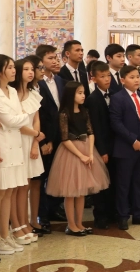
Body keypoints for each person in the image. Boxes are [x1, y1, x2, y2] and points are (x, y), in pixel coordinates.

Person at [0, 55, 40, 257]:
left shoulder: (13, 91)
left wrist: (12, 119)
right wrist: (19, 117)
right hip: (1, 146)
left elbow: (13, 119)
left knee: (10, 192)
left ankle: (6, 234)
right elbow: (11, 118)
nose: (13, 70)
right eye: (9, 67)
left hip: (15, 144)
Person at [47, 81, 109, 236]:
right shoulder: (64, 114)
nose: (83, 96)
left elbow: (91, 132)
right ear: (70, 95)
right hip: (71, 153)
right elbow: (65, 138)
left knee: (82, 192)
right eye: (79, 93)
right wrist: (81, 155)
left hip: (86, 149)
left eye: (83, 92)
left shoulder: (84, 111)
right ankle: (71, 224)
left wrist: (89, 153)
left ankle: (80, 223)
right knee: (71, 192)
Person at [109, 65, 140, 230]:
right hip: (125, 148)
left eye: (138, 77)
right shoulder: (117, 98)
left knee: (139, 182)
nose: (137, 80)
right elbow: (116, 123)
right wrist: (132, 140)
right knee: (123, 183)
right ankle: (122, 215)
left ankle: (138, 214)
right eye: (132, 77)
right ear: (123, 80)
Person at [14, 56, 45, 245]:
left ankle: (25, 222)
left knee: (26, 184)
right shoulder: (11, 93)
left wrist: (35, 142)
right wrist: (36, 133)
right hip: (17, 139)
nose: (31, 72)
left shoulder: (34, 92)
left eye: (32, 69)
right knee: (16, 186)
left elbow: (36, 118)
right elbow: (14, 122)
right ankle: (17, 223)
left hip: (31, 140)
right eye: (26, 69)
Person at [35, 44, 65, 228]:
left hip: (60, 136)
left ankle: (54, 208)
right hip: (44, 137)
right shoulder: (37, 83)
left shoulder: (60, 80)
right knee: (42, 176)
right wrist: (45, 140)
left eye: (56, 57)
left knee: (58, 174)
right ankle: (41, 215)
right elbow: (40, 114)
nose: (55, 61)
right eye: (50, 58)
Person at [85, 61, 116, 228]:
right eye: (102, 76)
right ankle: (100, 216)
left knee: (113, 181)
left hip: (115, 145)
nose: (107, 79)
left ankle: (112, 213)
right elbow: (95, 126)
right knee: (101, 183)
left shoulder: (115, 94)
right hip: (101, 146)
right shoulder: (93, 99)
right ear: (94, 78)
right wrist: (102, 150)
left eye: (108, 75)